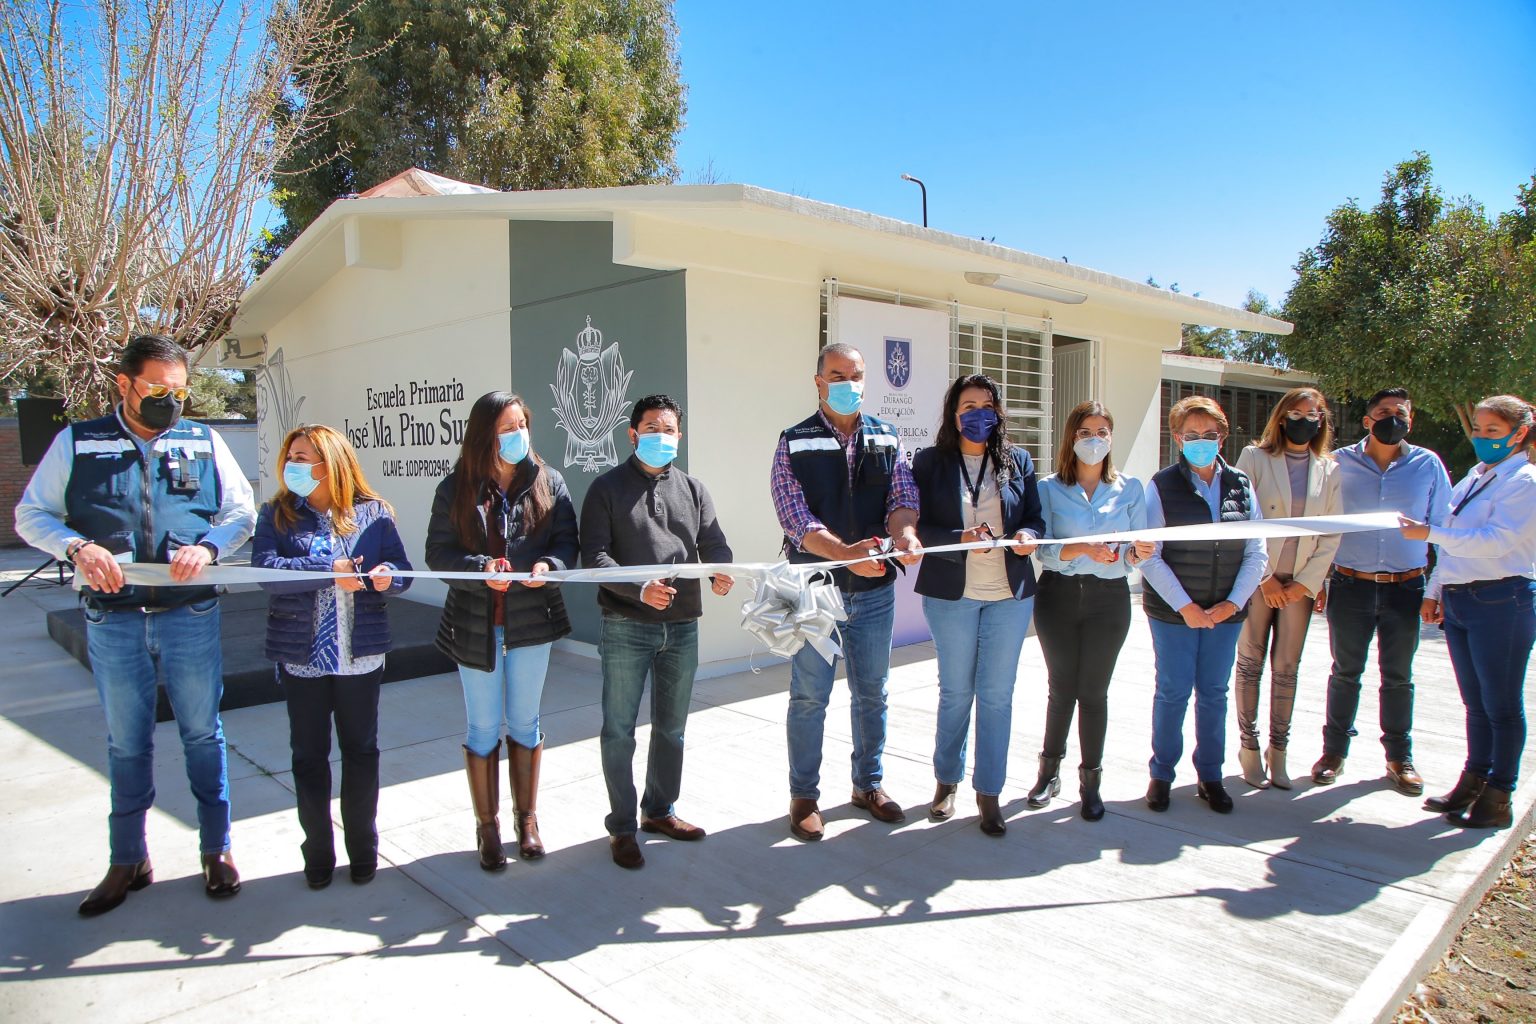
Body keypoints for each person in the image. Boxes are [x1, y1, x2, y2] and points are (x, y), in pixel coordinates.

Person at [14, 334, 256, 915]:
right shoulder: (78, 442)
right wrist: (75, 547)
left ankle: (216, 850)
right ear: (123, 383)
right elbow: (31, 514)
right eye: (156, 389)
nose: (170, 402)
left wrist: (212, 547)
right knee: (127, 742)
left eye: (179, 391)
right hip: (114, 620)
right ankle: (128, 859)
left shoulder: (204, 440)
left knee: (203, 734)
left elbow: (241, 511)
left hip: (189, 616)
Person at [770, 342, 922, 842]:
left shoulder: (888, 436)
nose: (848, 384)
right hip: (815, 591)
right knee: (810, 696)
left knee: (872, 694)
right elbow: (796, 520)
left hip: (875, 592)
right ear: (818, 381)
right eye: (837, 375)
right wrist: (845, 552)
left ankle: (868, 785)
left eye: (856, 375)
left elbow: (903, 498)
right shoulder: (792, 441)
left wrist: (905, 535)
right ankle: (805, 797)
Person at [252, 425, 412, 889]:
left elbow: (402, 571)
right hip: (303, 658)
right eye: (290, 457)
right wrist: (329, 570)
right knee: (308, 756)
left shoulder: (374, 513)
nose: (292, 466)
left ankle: (363, 849)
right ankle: (317, 852)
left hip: (358, 657)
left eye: (303, 457)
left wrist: (387, 577)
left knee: (361, 753)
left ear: (332, 463)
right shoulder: (276, 515)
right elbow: (266, 572)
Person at [581, 395, 735, 870]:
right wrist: (638, 589)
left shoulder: (694, 489)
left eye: (669, 430)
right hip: (627, 624)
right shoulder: (605, 489)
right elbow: (596, 559)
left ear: (679, 437)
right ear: (632, 434)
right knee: (619, 731)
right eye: (652, 428)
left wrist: (720, 571)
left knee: (672, 730)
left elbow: (713, 543)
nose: (661, 437)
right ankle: (623, 827)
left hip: (682, 626)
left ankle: (660, 811)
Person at [426, 392, 578, 870]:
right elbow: (438, 553)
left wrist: (548, 564)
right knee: (482, 727)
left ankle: (526, 821)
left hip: (532, 621)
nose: (516, 436)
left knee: (526, 722)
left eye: (521, 425)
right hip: (475, 623)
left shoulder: (550, 481)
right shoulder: (456, 488)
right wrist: (479, 566)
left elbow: (566, 543)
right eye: (505, 429)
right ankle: (487, 827)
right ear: (483, 436)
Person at [913, 375, 1044, 836]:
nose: (979, 413)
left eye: (988, 405)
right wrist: (959, 539)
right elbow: (916, 528)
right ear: (953, 413)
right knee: (955, 693)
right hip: (953, 594)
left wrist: (1029, 536)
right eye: (969, 405)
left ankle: (989, 792)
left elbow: (1034, 517)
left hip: (1010, 595)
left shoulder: (1018, 460)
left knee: (996, 696)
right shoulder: (930, 463)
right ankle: (946, 781)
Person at [1403, 395, 1536, 830]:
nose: (1481, 438)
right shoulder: (1476, 478)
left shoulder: (1524, 482)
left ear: (1519, 434)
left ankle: (1500, 794)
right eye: (1477, 430)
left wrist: (1430, 532)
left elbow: (1496, 541)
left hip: (1502, 600)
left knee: (1501, 703)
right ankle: (1475, 778)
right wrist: (1435, 589)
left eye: (1492, 431)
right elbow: (1454, 539)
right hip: (1461, 599)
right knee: (1475, 703)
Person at [1311, 387, 1451, 794]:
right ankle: (1333, 753)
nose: (1394, 418)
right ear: (1368, 420)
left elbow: (1444, 529)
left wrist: (1436, 589)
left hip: (1406, 588)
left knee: (1398, 677)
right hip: (1350, 584)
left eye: (1401, 412)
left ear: (1411, 421)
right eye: (1384, 412)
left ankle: (1398, 758)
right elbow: (1324, 524)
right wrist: (1319, 580)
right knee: (1345, 673)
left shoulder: (1428, 465)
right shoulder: (1338, 463)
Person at [1138, 395, 1267, 814]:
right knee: (1172, 692)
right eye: (1190, 435)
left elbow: (1257, 551)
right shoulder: (1160, 486)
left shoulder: (1242, 485)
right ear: (1177, 438)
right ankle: (1161, 775)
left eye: (1209, 435)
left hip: (1224, 614)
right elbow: (1149, 554)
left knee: (1214, 693)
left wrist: (1232, 604)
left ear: (1222, 437)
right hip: (1174, 614)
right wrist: (1185, 606)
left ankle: (1210, 776)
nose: (1200, 441)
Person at [1032, 401, 1153, 821]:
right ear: (1071, 437)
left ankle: (1091, 782)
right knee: (1061, 687)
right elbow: (1043, 549)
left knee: (1094, 693)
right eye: (1086, 431)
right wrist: (1082, 548)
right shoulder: (1047, 487)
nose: (1094, 440)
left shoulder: (1131, 488)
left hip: (1109, 600)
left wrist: (1136, 553)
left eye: (1102, 432)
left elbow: (1138, 549)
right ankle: (1049, 773)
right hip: (1058, 597)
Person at [1232, 388, 1342, 790]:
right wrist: (1265, 577)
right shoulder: (1255, 458)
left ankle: (1278, 750)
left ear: (1322, 420)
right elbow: (1241, 519)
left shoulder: (1329, 468)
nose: (1305, 419)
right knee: (1250, 663)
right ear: (1281, 417)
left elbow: (1332, 532)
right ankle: (1248, 745)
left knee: (1287, 668)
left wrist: (1305, 584)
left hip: (1300, 585)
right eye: (1296, 412)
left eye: (1313, 413)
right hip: (1259, 579)